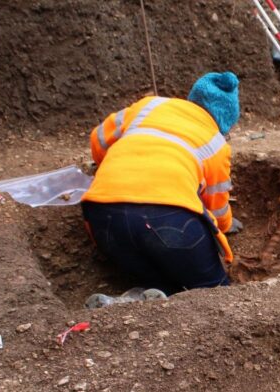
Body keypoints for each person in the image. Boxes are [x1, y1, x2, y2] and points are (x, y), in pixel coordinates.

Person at [81, 72, 244, 307]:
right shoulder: (215, 142)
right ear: (224, 121)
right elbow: (216, 203)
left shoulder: (148, 106)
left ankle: (133, 299)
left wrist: (110, 166)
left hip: (102, 215)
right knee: (215, 294)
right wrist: (226, 225)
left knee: (156, 276)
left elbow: (98, 139)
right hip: (169, 220)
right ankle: (166, 297)